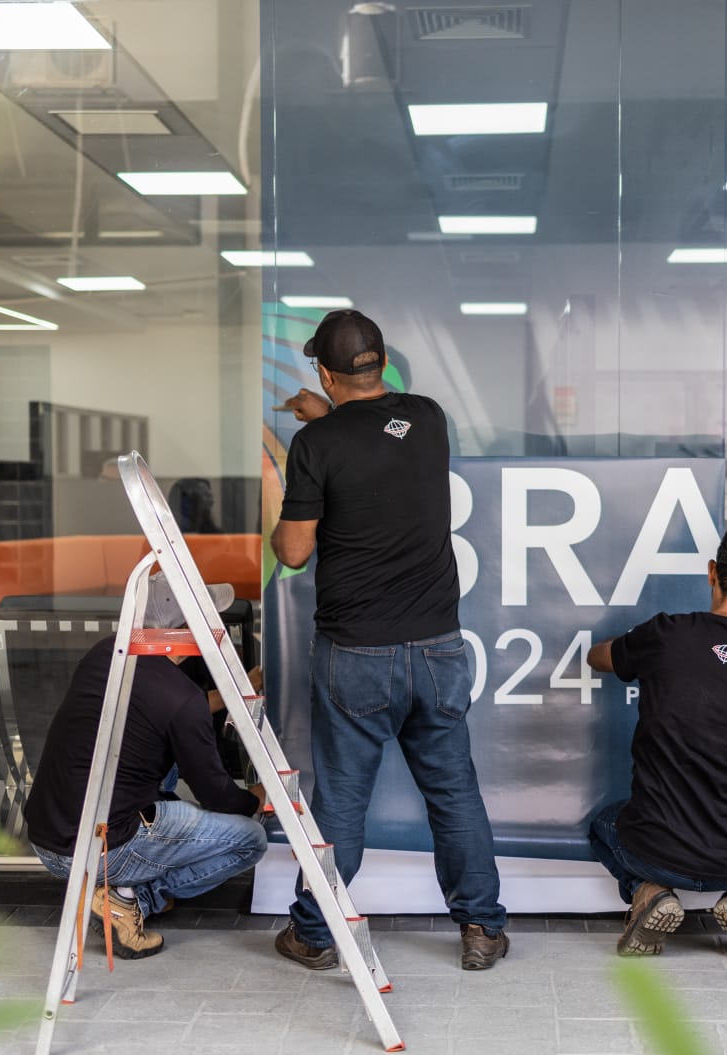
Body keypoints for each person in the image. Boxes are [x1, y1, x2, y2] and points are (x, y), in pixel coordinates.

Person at [270, 308, 509, 971]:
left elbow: (292, 552)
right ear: (380, 363)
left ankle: (315, 934)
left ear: (323, 370)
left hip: (356, 654)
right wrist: (327, 415)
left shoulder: (314, 447)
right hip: (436, 648)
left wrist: (305, 447)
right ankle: (482, 928)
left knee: (342, 800)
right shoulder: (427, 420)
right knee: (454, 792)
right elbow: (379, 435)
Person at [585, 521, 727, 960]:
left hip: (653, 849)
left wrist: (624, 652)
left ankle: (649, 892)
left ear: (712, 572)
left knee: (604, 826)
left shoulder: (666, 635)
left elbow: (599, 656)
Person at [24, 575, 269, 960]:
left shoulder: (106, 653)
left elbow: (163, 710)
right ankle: (131, 899)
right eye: (208, 622)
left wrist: (233, 696)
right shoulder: (180, 699)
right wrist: (258, 797)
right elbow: (219, 797)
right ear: (185, 632)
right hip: (98, 849)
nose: (215, 629)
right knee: (250, 839)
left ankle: (124, 886)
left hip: (48, 836)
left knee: (160, 754)